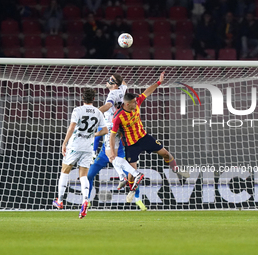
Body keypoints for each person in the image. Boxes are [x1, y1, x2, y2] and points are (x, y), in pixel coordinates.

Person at [109, 72, 189, 202]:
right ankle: (131, 191)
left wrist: (159, 82)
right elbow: (112, 136)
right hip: (131, 144)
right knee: (132, 174)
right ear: (127, 104)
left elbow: (147, 92)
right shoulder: (118, 117)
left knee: (166, 154)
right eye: (134, 102)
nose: (137, 103)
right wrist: (112, 151)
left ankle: (176, 169)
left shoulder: (136, 103)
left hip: (143, 137)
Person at [87, 74, 147, 210]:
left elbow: (108, 105)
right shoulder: (123, 89)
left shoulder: (113, 94)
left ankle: (137, 198)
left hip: (113, 131)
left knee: (129, 173)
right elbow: (123, 82)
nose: (106, 81)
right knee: (90, 175)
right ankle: (87, 199)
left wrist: (93, 112)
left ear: (114, 84)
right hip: (115, 133)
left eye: (109, 80)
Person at [53, 88, 108, 219]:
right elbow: (105, 130)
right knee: (83, 176)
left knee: (65, 171)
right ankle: (85, 200)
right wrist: (94, 134)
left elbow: (72, 127)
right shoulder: (98, 112)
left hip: (75, 144)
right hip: (88, 147)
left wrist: (64, 142)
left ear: (82, 98)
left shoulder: (78, 110)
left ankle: (60, 200)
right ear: (94, 99)